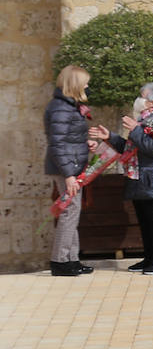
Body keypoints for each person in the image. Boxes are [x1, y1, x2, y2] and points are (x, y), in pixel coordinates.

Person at [90, 83, 153, 275]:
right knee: (145, 220)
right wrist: (110, 137)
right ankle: (150, 258)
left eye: (143, 96)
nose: (139, 99)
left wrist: (136, 130)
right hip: (139, 177)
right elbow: (131, 147)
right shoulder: (143, 120)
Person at [44, 65, 95, 277]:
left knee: (72, 213)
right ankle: (60, 261)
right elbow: (57, 144)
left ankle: (71, 259)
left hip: (73, 165)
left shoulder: (68, 106)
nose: (87, 85)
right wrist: (69, 175)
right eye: (84, 82)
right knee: (69, 213)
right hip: (68, 169)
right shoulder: (61, 108)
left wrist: (86, 143)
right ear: (74, 84)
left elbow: (68, 140)